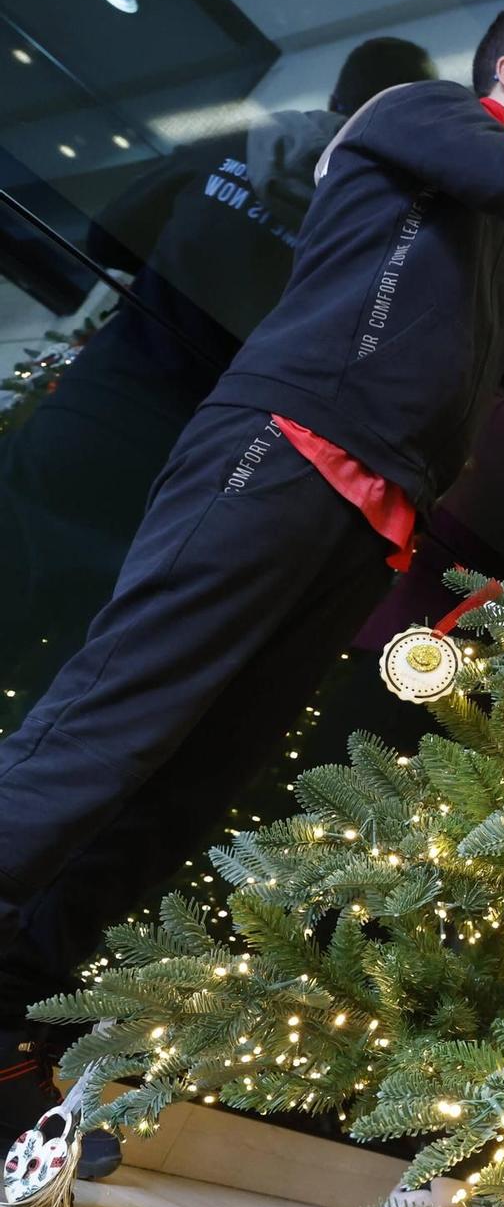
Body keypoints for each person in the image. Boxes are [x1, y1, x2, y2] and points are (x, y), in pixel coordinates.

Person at [0, 1, 504, 1169]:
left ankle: (8, 1011)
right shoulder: (418, 118)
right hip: (276, 454)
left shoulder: (498, 256)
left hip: (353, 532)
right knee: (107, 732)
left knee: (183, 798)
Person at [0, 37, 440, 725]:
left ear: (336, 98)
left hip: (91, 413)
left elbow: (108, 239)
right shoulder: (378, 230)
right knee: (74, 670)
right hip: (186, 473)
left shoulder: (235, 139)